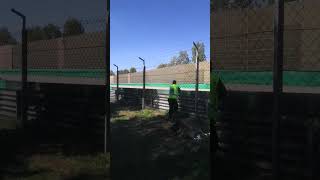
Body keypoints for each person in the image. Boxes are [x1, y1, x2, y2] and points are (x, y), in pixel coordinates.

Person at [209, 71, 227, 155]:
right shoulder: (215, 78)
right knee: (212, 128)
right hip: (212, 108)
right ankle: (215, 149)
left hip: (205, 107)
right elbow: (224, 93)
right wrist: (216, 99)